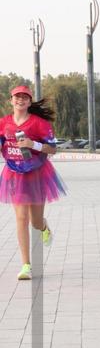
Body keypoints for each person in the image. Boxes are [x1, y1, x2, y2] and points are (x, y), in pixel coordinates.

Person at [0, 85, 65, 280]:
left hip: (36, 173)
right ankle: (26, 265)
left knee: (34, 221)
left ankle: (43, 227)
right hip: (14, 174)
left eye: (24, 97)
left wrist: (32, 144)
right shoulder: (3, 122)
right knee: (21, 218)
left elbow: (53, 149)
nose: (20, 100)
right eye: (17, 97)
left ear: (29, 102)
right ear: (11, 100)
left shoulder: (39, 123)